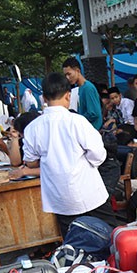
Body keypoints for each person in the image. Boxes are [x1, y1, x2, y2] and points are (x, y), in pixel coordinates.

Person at [22, 72, 118, 235]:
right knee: (109, 237)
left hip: (60, 198)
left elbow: (30, 161)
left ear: (44, 98)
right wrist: (84, 163)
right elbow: (99, 154)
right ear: (68, 96)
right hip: (89, 193)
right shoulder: (78, 121)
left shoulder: (33, 127)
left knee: (73, 242)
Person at [62, 57, 103, 130]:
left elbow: (93, 113)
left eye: (69, 74)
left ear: (78, 71)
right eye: (65, 75)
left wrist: (76, 119)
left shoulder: (88, 88)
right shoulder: (80, 88)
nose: (67, 78)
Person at [7, 111, 42, 181]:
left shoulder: (44, 143)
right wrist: (15, 137)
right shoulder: (24, 140)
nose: (21, 135)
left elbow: (52, 170)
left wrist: (25, 171)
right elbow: (15, 163)